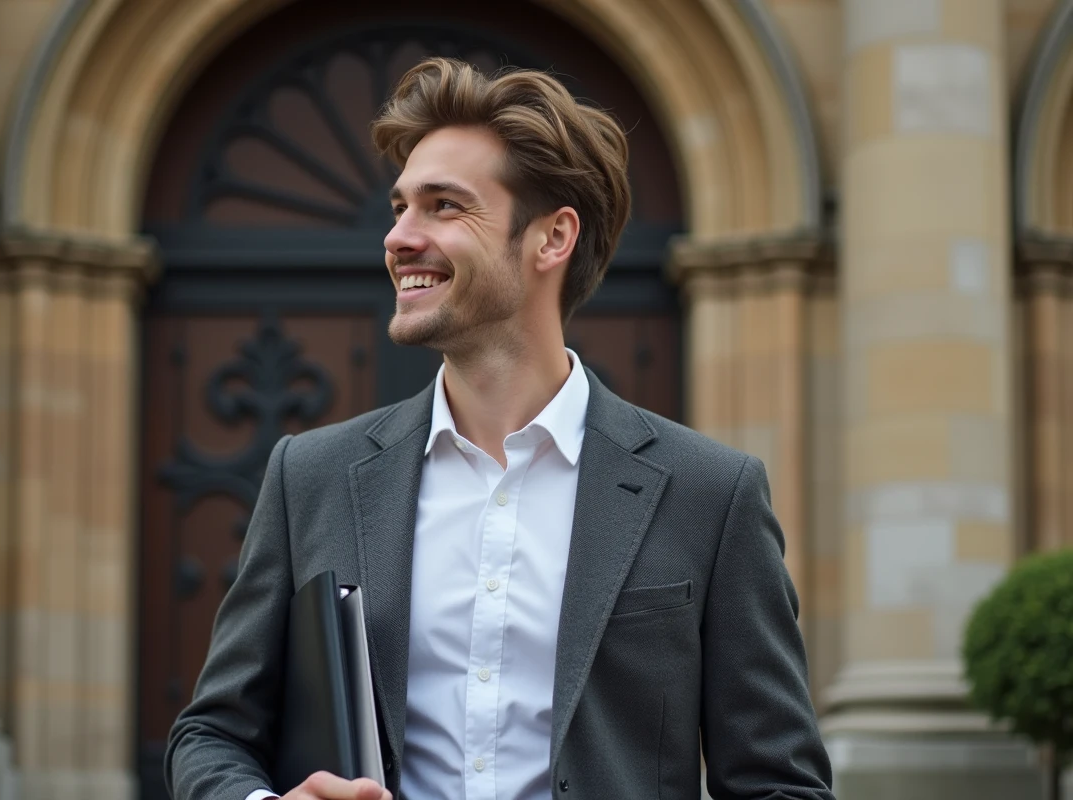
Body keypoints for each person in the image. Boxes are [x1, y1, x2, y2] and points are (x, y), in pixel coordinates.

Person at [165, 57, 834, 800]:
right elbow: (213, 735)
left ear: (552, 238)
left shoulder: (711, 494)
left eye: (444, 207)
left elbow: (780, 784)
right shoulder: (309, 476)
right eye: (400, 207)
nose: (398, 237)